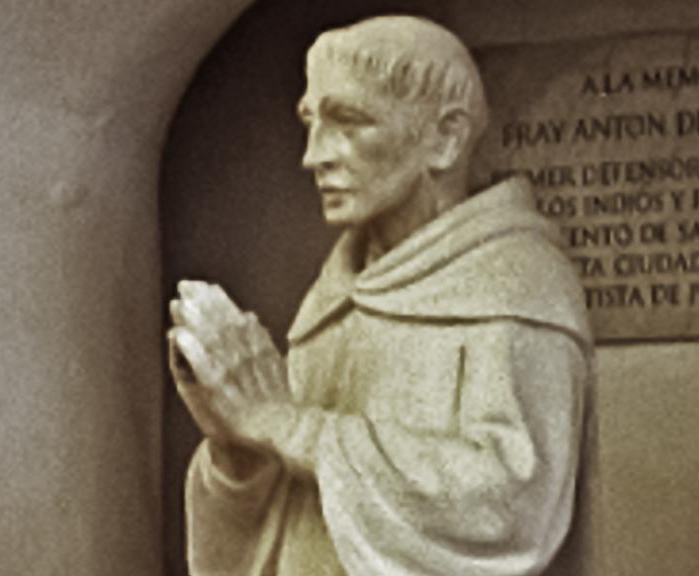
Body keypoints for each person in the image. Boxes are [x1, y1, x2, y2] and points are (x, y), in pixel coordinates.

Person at [168, 15, 592, 576]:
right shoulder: (337, 293)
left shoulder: (516, 286)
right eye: (310, 122)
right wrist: (238, 448)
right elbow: (292, 509)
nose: (313, 155)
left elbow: (510, 506)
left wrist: (285, 425)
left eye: (347, 121)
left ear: (445, 137)